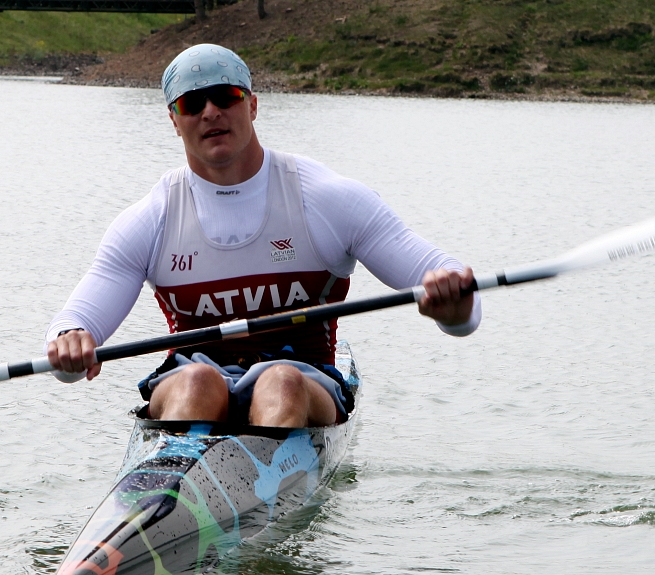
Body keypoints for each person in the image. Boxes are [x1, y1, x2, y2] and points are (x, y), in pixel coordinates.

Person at [45, 43, 481, 428]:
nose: (211, 111)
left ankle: (255, 494)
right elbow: (75, 325)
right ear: (175, 120)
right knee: (198, 380)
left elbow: (455, 296)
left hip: (303, 379)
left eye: (226, 96)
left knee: (280, 381)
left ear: (252, 105)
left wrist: (453, 305)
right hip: (190, 378)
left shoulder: (327, 199)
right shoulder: (152, 217)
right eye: (192, 103)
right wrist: (71, 343)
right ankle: (184, 488)